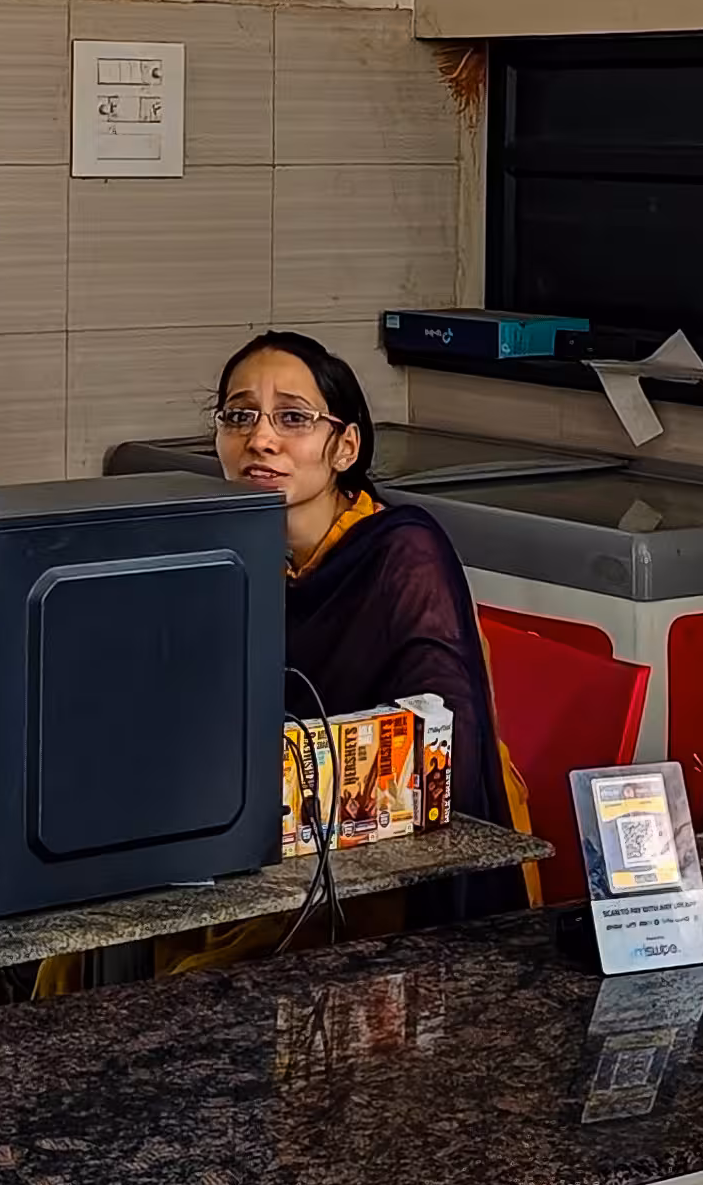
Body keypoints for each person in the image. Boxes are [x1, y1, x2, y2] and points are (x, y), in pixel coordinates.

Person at [216, 330, 517, 903]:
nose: (260, 439)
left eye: (293, 418)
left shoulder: (402, 551)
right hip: (260, 836)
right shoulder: (226, 555)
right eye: (240, 415)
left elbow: (446, 749)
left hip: (387, 858)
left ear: (345, 448)